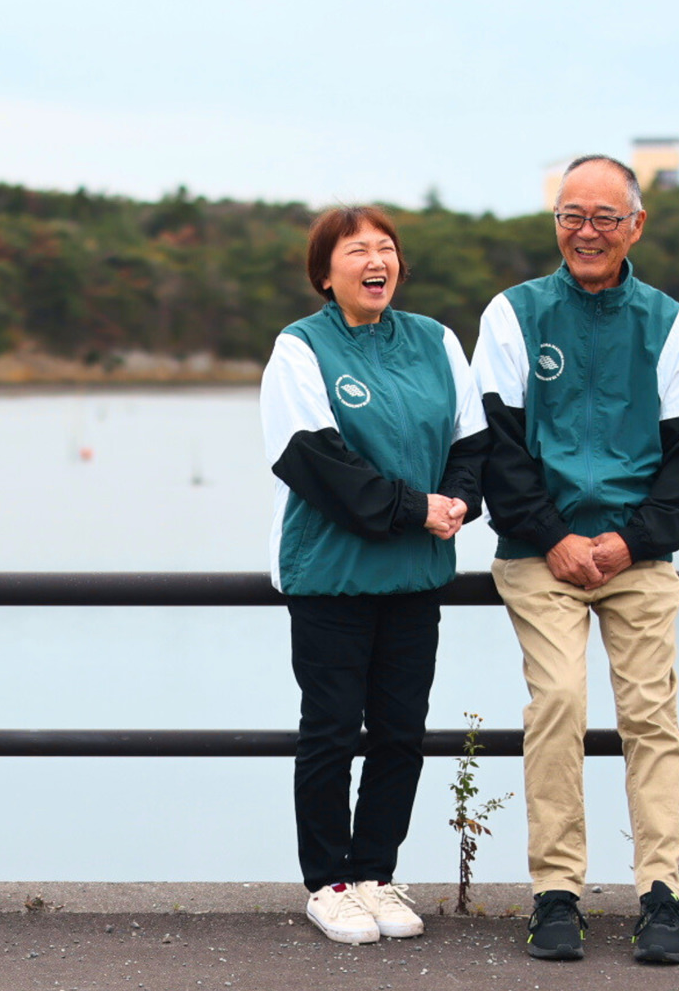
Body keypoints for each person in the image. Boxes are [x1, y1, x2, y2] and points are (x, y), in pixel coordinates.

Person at [471, 155, 679, 965]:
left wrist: (630, 540)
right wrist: (554, 537)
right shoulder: (513, 316)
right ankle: (556, 894)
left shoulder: (670, 324)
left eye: (605, 217)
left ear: (635, 226)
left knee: (651, 715)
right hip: (540, 554)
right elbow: (495, 450)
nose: (586, 231)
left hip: (636, 555)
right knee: (560, 703)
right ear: (556, 224)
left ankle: (660, 894)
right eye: (571, 215)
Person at [260, 205, 488, 946]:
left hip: (415, 578)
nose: (374, 260)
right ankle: (327, 883)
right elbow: (315, 462)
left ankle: (375, 874)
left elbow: (472, 439)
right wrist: (412, 508)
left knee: (399, 733)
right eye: (355, 250)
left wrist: (457, 502)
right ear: (325, 273)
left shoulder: (436, 341)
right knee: (330, 731)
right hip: (330, 577)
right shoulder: (300, 349)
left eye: (385, 248)